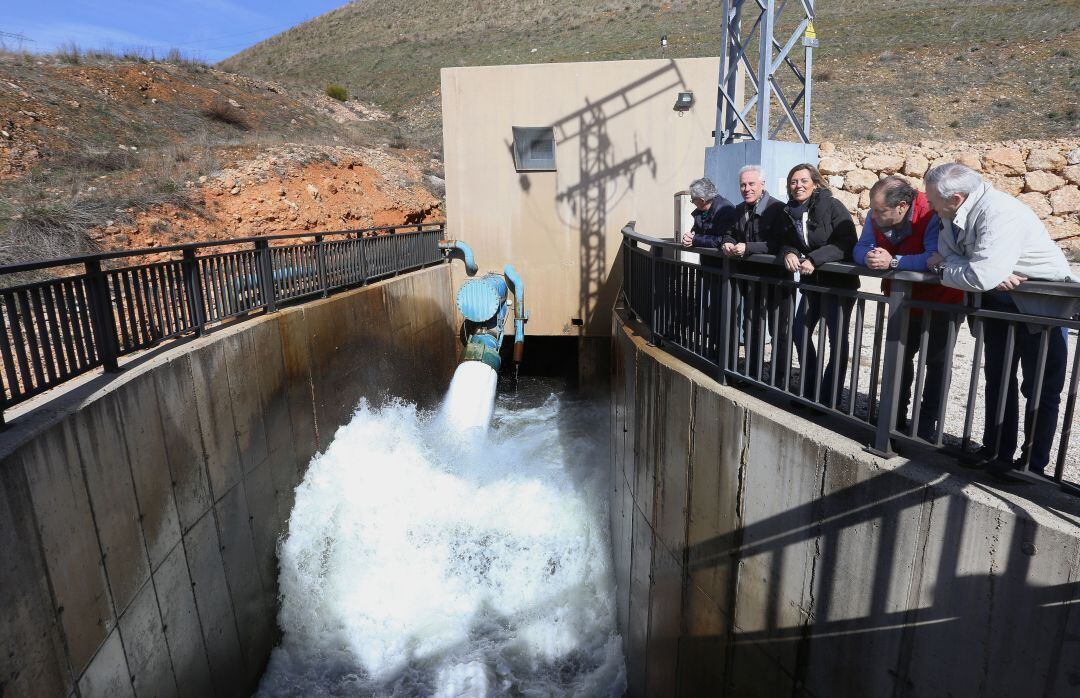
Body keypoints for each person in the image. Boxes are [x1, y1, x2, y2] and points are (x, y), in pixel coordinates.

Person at [925, 163, 1079, 480]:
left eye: (931, 198)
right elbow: (959, 260)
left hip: (1041, 308)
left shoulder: (999, 213)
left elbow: (975, 273)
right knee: (998, 378)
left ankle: (1031, 466)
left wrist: (949, 271)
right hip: (999, 303)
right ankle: (996, 450)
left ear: (955, 197)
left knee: (1039, 388)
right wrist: (987, 273)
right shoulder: (949, 213)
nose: (927, 203)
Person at [853, 176, 963, 439]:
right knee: (898, 359)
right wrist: (868, 257)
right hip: (901, 300)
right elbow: (860, 247)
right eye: (873, 210)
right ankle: (892, 418)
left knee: (936, 364)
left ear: (902, 206)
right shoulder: (876, 212)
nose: (874, 216)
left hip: (940, 301)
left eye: (880, 212)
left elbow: (934, 256)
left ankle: (925, 426)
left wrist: (894, 262)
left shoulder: (931, 213)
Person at [780, 163, 859, 407]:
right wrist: (789, 252)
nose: (798, 186)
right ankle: (809, 387)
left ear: (815, 182)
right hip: (811, 285)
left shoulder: (832, 206)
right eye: (794, 182)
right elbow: (785, 240)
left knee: (836, 341)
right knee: (799, 332)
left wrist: (816, 258)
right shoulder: (790, 211)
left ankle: (829, 397)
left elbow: (847, 241)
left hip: (837, 286)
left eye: (803, 180)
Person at [719, 165, 790, 381]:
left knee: (780, 331)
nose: (746, 188)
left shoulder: (778, 209)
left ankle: (779, 379)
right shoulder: (739, 209)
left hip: (777, 282)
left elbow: (780, 243)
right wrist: (727, 243)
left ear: (762, 185)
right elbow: (730, 233)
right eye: (743, 184)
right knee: (752, 328)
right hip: (751, 281)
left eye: (751, 184)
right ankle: (753, 373)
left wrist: (748, 247)